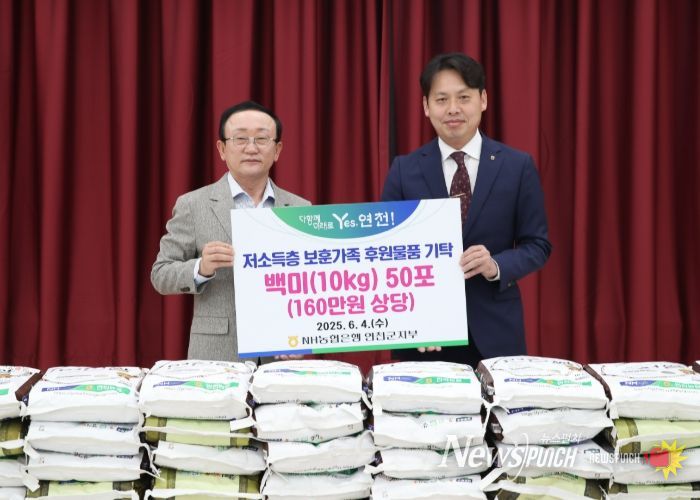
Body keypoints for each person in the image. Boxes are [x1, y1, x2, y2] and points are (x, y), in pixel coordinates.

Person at [381, 53, 551, 367]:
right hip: (424, 337)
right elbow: (386, 251)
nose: (453, 109)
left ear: (483, 100)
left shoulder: (517, 166)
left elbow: (537, 245)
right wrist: (411, 319)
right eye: (441, 99)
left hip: (496, 333)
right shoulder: (404, 170)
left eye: (463, 97)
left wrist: (496, 264)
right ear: (426, 106)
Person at [152, 100, 310, 361]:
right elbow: (160, 274)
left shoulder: (300, 209)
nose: (251, 148)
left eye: (262, 139)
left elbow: (310, 283)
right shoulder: (193, 204)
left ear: (277, 150)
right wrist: (201, 267)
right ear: (222, 149)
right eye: (240, 139)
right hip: (216, 355)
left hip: (281, 354)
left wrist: (304, 334)